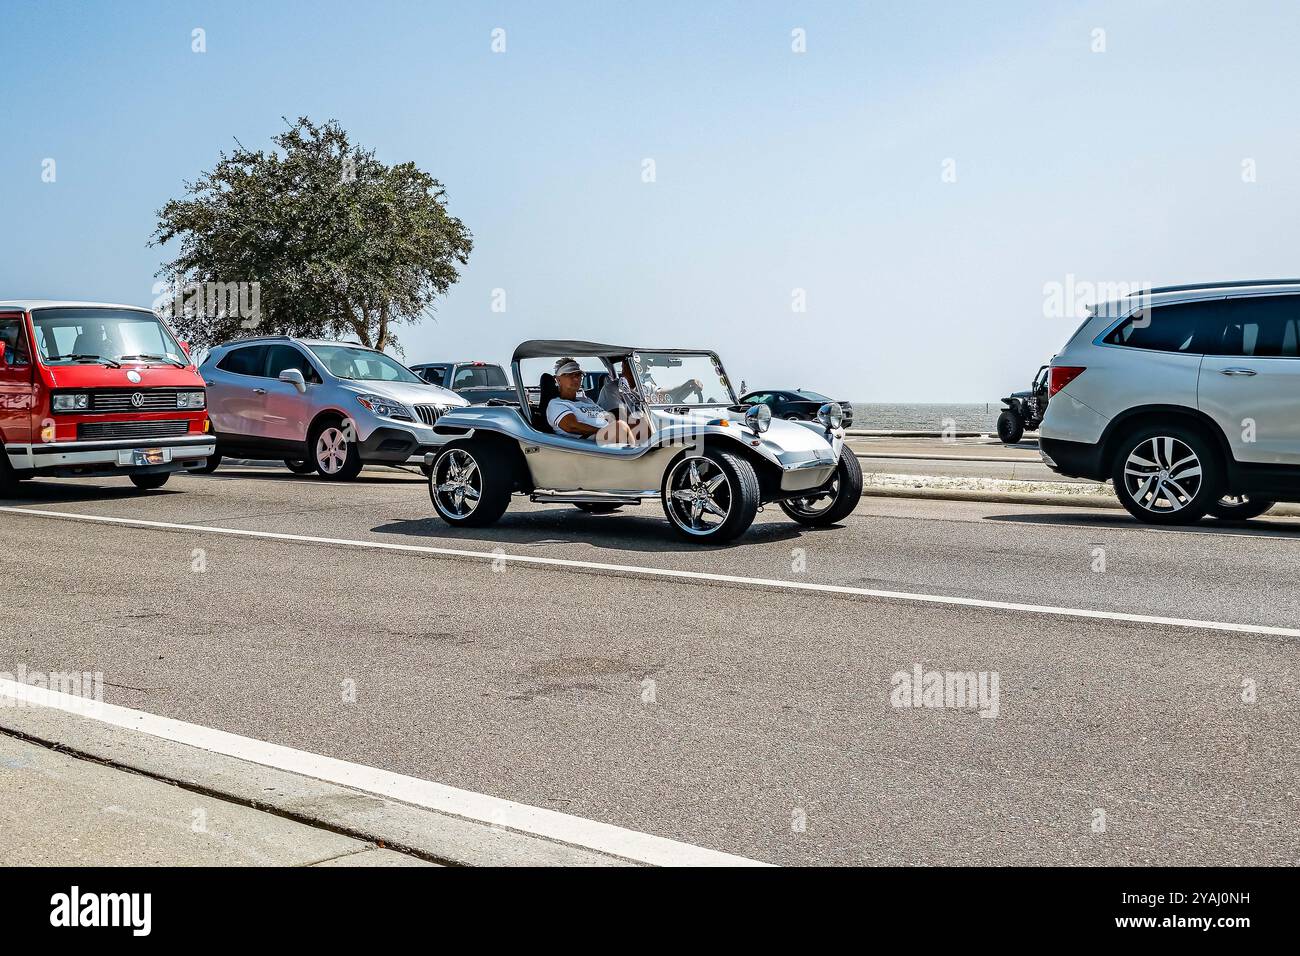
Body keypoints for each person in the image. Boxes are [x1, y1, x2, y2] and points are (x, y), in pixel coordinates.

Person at [547, 358, 637, 444]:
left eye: (578, 375)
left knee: (640, 422)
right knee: (620, 427)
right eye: (569, 374)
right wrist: (603, 430)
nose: (575, 378)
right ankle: (637, 456)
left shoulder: (587, 401)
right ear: (558, 379)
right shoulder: (556, 404)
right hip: (584, 441)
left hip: (604, 435)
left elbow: (605, 416)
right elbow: (571, 426)